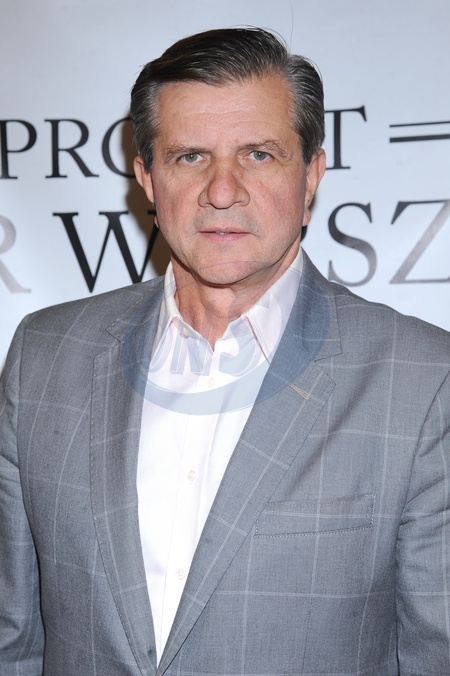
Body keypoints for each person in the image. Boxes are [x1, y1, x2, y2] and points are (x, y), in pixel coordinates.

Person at [1, 27, 449, 676]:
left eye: (259, 155)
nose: (221, 190)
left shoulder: (423, 382)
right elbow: (12, 641)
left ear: (311, 175)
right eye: (189, 157)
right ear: (147, 178)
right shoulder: (44, 357)